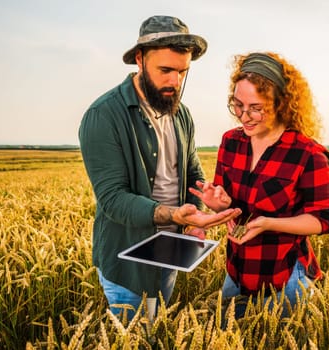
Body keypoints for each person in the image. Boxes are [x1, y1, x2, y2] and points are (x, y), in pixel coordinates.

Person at [78, 15, 241, 320]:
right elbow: (112, 198)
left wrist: (192, 220)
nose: (174, 81)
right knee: (136, 337)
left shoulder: (182, 114)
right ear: (139, 60)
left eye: (182, 72)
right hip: (127, 263)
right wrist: (171, 215)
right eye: (165, 70)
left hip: (170, 251)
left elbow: (192, 174)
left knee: (158, 329)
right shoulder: (103, 115)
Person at [190, 52, 329, 317]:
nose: (244, 117)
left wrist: (269, 223)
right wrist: (219, 204)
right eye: (237, 105)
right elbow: (230, 205)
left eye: (256, 108)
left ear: (282, 103)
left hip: (286, 277)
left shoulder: (308, 153)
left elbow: (323, 220)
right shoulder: (231, 142)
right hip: (236, 272)